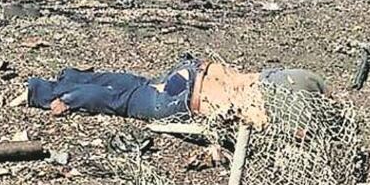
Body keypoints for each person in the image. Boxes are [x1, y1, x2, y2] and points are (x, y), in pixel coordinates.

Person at [22, 57, 329, 122]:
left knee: (115, 82)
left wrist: (70, 100)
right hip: (167, 94)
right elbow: (103, 98)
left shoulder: (278, 85)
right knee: (115, 87)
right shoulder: (277, 98)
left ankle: (53, 86)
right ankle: (59, 87)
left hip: (173, 85)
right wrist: (71, 101)